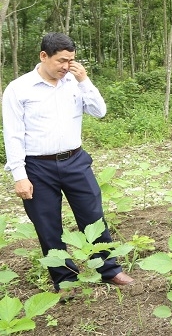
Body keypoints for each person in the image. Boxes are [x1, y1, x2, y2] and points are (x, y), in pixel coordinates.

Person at [2, 32, 134, 292]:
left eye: (71, 60)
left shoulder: (74, 82)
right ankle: (66, 279)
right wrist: (19, 175)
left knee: (93, 217)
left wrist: (84, 80)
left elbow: (99, 111)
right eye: (62, 61)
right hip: (37, 167)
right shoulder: (19, 89)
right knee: (48, 224)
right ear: (43, 56)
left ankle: (108, 269)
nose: (66, 66)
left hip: (75, 161)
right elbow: (13, 134)